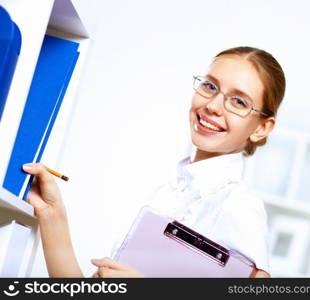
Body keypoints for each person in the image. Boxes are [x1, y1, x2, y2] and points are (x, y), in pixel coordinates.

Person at [22, 46, 286, 278]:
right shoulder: (168, 194)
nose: (214, 106)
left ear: (262, 128)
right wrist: (50, 213)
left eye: (239, 102)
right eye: (210, 86)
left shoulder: (238, 206)